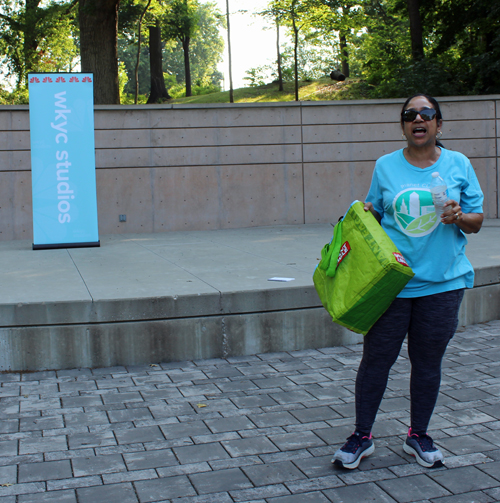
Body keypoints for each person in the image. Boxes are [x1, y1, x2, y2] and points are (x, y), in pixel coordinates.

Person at [331, 94, 484, 469]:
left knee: (428, 363)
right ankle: (361, 437)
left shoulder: (458, 164)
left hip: (444, 283)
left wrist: (459, 216)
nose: (418, 118)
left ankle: (418, 435)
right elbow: (375, 212)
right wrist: (365, 212)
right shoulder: (385, 166)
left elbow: (477, 220)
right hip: (392, 283)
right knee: (376, 361)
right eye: (410, 114)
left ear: (438, 124)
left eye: (426, 114)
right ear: (403, 125)